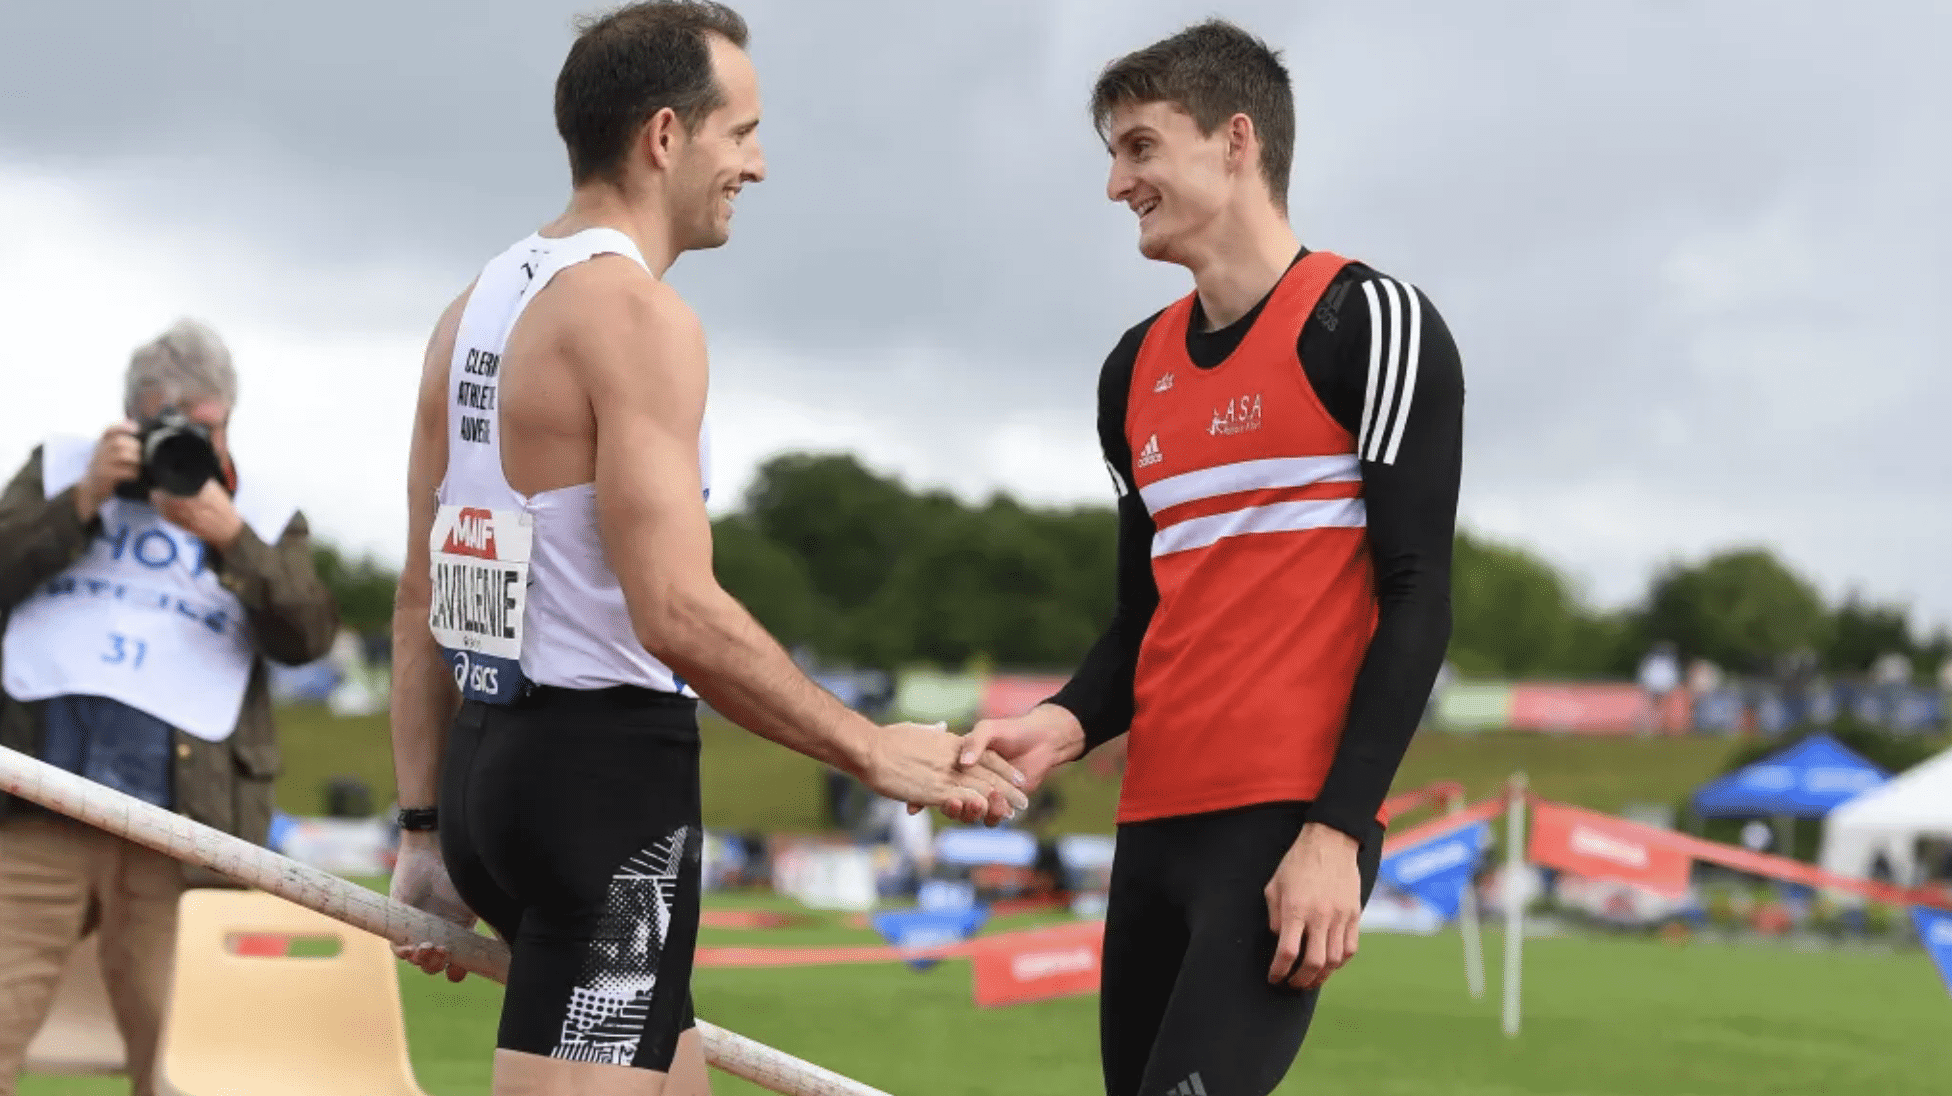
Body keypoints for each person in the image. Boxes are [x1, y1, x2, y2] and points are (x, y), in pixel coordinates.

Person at [383, 5, 1025, 1094]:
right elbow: (674, 610)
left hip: (493, 774)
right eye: (743, 133)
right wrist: (869, 749)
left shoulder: (474, 307)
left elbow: (419, 595)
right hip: (605, 806)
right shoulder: (635, 318)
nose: (757, 165)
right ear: (665, 136)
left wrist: (424, 830)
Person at [958, 21, 1464, 1096]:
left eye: (1140, 147)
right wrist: (1061, 723)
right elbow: (1143, 618)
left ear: (1236, 141)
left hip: (1284, 826)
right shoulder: (1130, 370)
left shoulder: (1367, 322)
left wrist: (1337, 831)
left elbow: (1417, 595)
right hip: (1150, 828)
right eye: (1113, 154)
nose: (1116, 183)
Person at [0, 320, 338, 1096]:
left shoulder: (263, 510)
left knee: (183, 1065)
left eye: (204, 427)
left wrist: (232, 538)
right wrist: (82, 500)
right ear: (129, 416)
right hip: (35, 809)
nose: (182, 440)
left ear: (229, 422)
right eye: (164, 423)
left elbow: (308, 635)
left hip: (182, 830)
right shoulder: (61, 471)